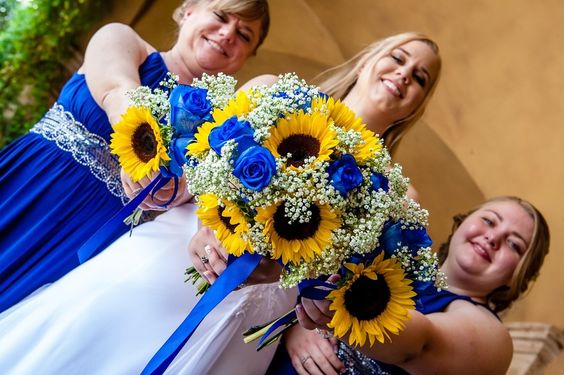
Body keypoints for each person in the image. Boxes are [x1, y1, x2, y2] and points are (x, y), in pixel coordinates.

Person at [0, 32, 441, 374]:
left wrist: (294, 306)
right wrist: (207, 225)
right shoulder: (276, 93)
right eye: (398, 58)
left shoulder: (399, 196)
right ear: (369, 59)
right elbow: (198, 170)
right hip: (179, 257)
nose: (404, 74)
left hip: (255, 319)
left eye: (420, 77)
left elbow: (337, 289)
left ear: (418, 104)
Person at [0, 0, 270, 313]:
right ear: (188, 11)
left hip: (90, 235)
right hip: (29, 183)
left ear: (248, 56)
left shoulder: (222, 129)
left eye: (244, 35)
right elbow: (117, 90)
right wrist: (144, 151)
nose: (227, 34)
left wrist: (174, 190)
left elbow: (192, 190)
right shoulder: (123, 40)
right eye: (221, 17)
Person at [275, 196, 550, 375]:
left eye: (514, 244)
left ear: (519, 276)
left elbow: (419, 344)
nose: (493, 238)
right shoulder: (394, 263)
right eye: (489, 221)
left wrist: (330, 309)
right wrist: (294, 326)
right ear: (462, 222)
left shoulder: (493, 338)